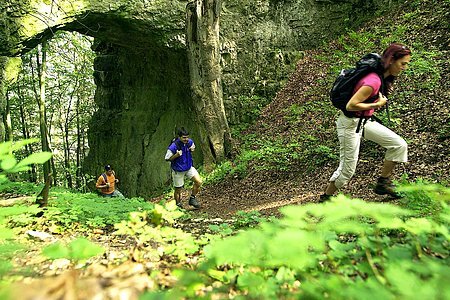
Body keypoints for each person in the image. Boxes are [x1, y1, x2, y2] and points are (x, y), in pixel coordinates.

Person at [321, 43, 412, 201]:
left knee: (399, 145)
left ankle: (383, 183)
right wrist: (376, 105)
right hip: (349, 125)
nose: (404, 68)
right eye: (402, 63)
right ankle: (326, 197)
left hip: (363, 122)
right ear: (391, 61)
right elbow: (351, 105)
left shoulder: (381, 77)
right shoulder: (373, 81)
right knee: (347, 171)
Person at [165, 127, 202, 209]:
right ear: (179, 137)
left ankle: (192, 199)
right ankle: (178, 205)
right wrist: (176, 155)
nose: (186, 139)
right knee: (178, 189)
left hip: (188, 167)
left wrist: (192, 149)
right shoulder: (174, 146)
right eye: (184, 137)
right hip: (178, 170)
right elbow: (167, 158)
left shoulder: (189, 142)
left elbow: (193, 146)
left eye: (187, 137)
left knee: (198, 182)